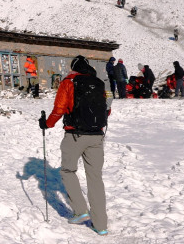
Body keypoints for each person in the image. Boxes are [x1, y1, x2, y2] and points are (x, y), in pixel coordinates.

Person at [39, 55, 111, 236]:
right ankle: (101, 225)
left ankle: (80, 211)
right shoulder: (99, 82)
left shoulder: (69, 81)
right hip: (97, 136)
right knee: (95, 178)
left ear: (74, 68)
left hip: (75, 135)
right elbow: (107, 108)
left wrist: (47, 124)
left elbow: (59, 108)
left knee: (68, 171)